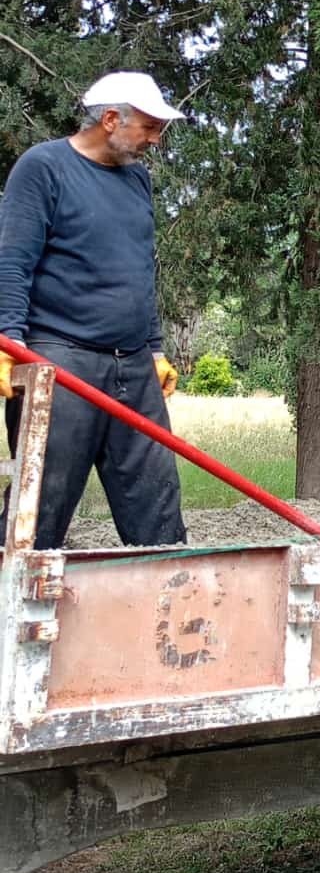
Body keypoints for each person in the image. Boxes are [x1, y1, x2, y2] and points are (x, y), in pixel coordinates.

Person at [0, 71, 188, 550]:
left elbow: (138, 269)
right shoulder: (43, 167)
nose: (155, 139)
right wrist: (8, 340)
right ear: (110, 119)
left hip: (132, 365)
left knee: (157, 501)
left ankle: (163, 613)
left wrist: (153, 349)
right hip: (60, 358)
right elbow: (13, 260)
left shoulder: (137, 180)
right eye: (148, 127)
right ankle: (13, 610)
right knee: (42, 499)